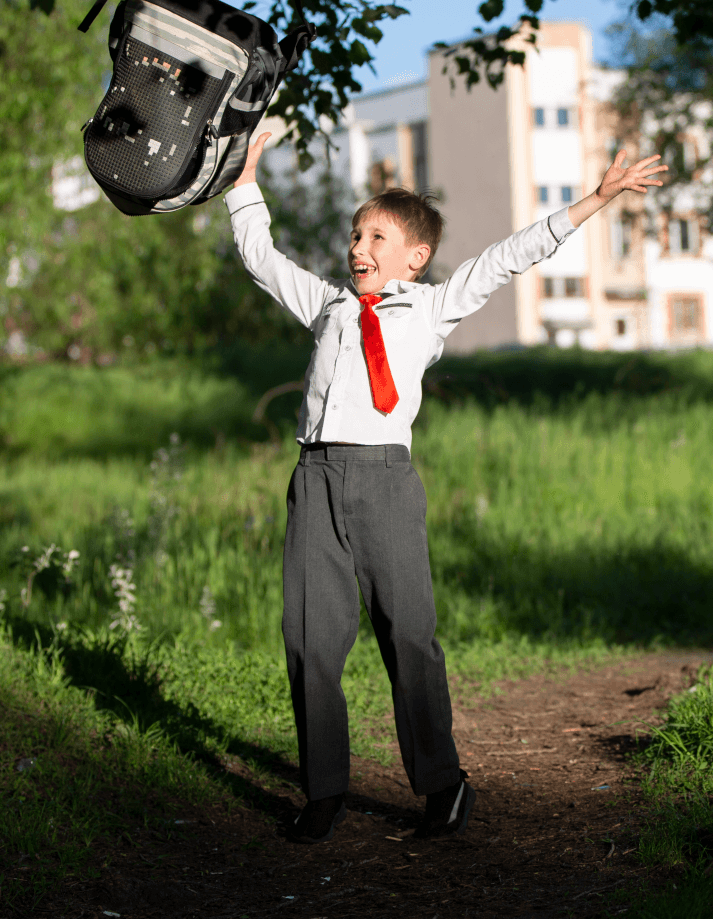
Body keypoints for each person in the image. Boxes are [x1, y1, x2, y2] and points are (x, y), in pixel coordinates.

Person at [225, 132, 667, 843]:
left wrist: (597, 198)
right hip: (314, 480)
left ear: (415, 257)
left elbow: (510, 256)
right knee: (309, 639)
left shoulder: (429, 308)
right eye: (354, 234)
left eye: (376, 236)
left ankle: (442, 782)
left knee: (411, 637)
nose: (357, 247)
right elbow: (259, 257)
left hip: (385, 484)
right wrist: (244, 176)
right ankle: (324, 791)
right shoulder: (329, 305)